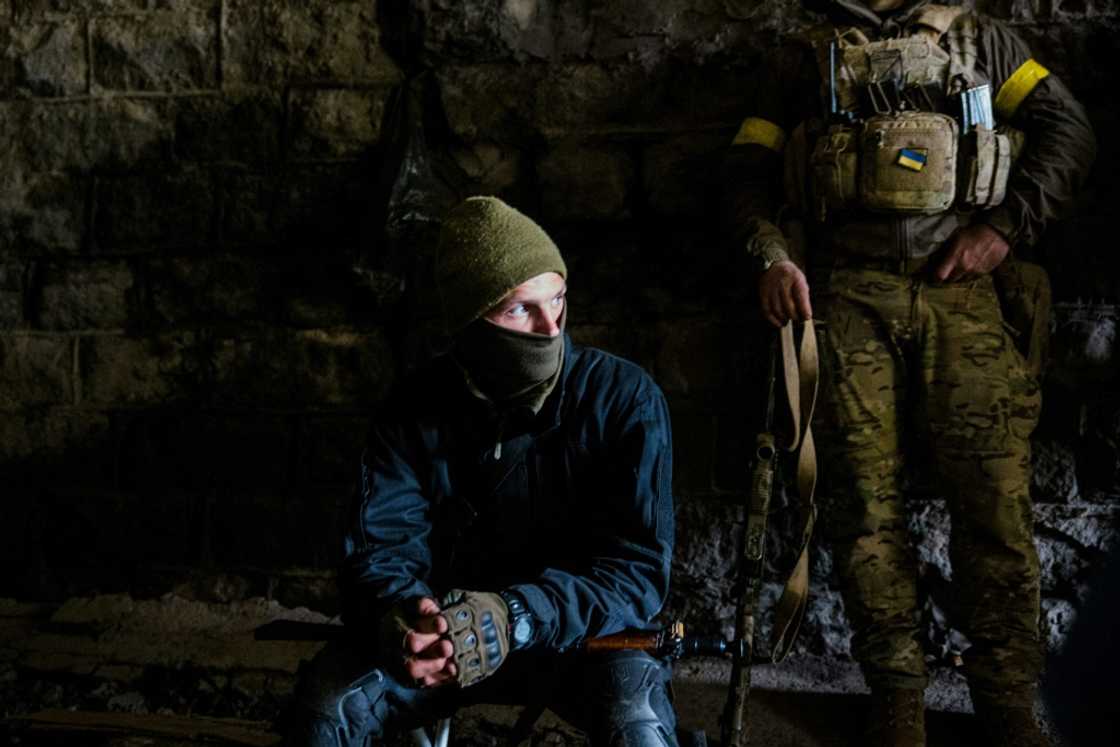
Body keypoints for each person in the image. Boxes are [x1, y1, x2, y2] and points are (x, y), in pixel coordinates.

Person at [722, 1, 1095, 745]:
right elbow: (743, 172)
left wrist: (1003, 229)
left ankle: (1007, 695)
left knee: (995, 497)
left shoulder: (981, 40)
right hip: (846, 290)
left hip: (963, 291)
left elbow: (1069, 131)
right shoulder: (802, 57)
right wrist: (770, 253)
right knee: (861, 502)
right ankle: (897, 692)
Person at [283, 196, 680, 747]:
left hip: (583, 644)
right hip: (442, 647)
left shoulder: (625, 400)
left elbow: (635, 573)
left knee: (640, 729)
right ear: (470, 320)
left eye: (558, 300)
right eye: (520, 309)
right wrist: (400, 619)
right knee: (328, 712)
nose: (550, 329)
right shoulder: (412, 410)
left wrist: (514, 615)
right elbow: (379, 549)